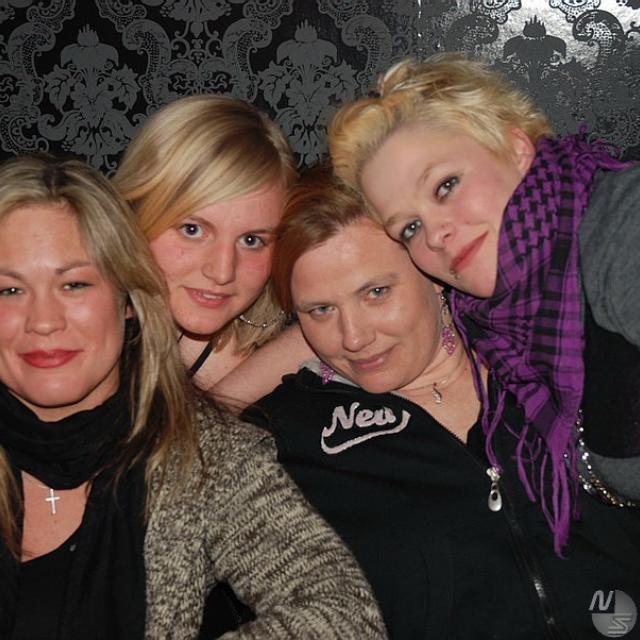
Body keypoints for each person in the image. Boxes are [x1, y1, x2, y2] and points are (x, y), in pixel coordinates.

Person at [0, 155, 387, 640]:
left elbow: (342, 612)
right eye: (9, 290)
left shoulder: (208, 460)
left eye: (74, 284)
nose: (43, 321)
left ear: (128, 299)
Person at [244, 167, 640, 639]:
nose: (353, 337)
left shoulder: (550, 355)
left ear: (432, 272)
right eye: (320, 310)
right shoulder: (285, 442)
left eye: (376, 292)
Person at [328, 53, 640, 550]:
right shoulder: (498, 323)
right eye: (409, 227)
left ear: (515, 147)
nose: (435, 234)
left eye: (445, 186)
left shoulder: (620, 226)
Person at [114, 95, 309, 393]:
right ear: (135, 216)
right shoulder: (75, 337)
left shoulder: (314, 362)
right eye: (192, 230)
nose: (222, 272)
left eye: (251, 240)